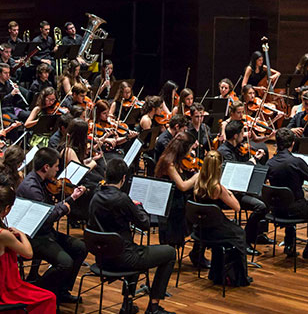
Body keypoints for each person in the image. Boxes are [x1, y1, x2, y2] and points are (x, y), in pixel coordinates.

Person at [89, 158, 177, 314]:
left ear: (105, 174)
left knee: (134, 249)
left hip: (102, 258)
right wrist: (139, 206)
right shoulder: (122, 199)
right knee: (170, 252)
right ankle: (154, 307)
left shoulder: (95, 196)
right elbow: (145, 224)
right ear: (123, 178)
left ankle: (127, 305)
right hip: (123, 258)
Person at [16, 147, 88, 302]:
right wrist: (65, 207)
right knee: (65, 263)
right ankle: (40, 294)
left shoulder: (42, 181)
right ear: (46, 167)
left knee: (80, 248)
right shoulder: (31, 187)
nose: (58, 170)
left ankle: (61, 290)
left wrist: (72, 198)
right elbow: (48, 216)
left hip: (46, 232)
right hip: (33, 237)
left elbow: (52, 210)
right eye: (56, 166)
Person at [0, 187, 57, 313]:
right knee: (49, 297)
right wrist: (22, 234)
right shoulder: (1, 234)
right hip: (2, 287)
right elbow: (28, 254)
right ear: (7, 208)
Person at [191, 150, 253, 286]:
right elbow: (237, 208)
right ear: (219, 167)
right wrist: (229, 192)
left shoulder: (197, 181)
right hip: (215, 230)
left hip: (200, 228)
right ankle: (240, 277)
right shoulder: (217, 188)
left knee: (231, 231)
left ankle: (216, 273)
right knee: (240, 234)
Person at [266, 127, 308, 259]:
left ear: (277, 144)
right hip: (294, 209)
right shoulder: (296, 162)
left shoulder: (269, 163)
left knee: (287, 200)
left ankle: (290, 245)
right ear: (293, 144)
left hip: (276, 210)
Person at [154, 132, 206, 267]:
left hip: (180, 201)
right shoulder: (169, 163)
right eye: (190, 149)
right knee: (202, 219)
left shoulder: (178, 160)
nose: (191, 151)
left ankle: (197, 254)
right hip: (172, 206)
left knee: (204, 216)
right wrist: (197, 177)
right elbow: (182, 186)